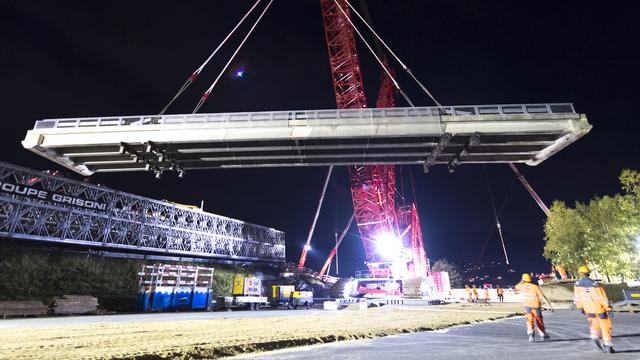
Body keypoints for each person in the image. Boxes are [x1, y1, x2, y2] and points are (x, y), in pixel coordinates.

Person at [574, 265, 614, 353]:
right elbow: (603, 298)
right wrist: (609, 309)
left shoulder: (577, 285)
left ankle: (595, 336)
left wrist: (580, 307)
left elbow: (577, 298)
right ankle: (608, 345)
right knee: (605, 326)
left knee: (594, 325)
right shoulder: (595, 285)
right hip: (600, 309)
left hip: (588, 310)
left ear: (580, 273)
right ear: (589, 273)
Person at [515, 273, 553, 342]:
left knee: (529, 321)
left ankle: (531, 335)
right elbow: (543, 296)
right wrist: (550, 305)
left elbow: (516, 287)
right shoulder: (535, 287)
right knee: (539, 321)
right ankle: (542, 334)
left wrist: (521, 281)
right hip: (536, 307)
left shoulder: (522, 286)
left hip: (527, 307)